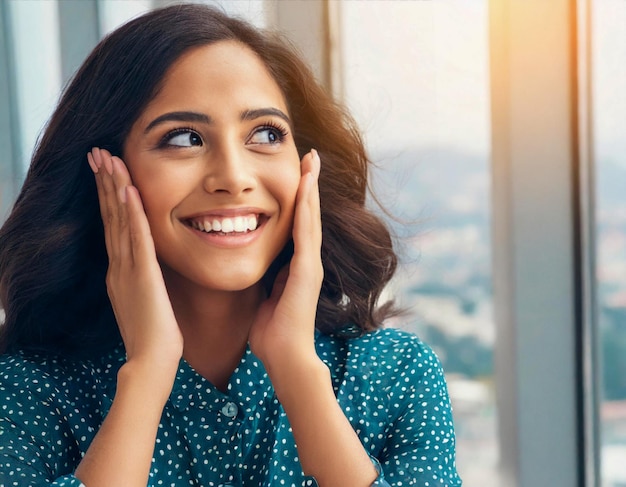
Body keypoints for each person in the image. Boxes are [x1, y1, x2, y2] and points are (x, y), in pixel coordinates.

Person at [0, 4, 461, 486]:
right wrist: (146, 375)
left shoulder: (395, 374)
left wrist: (299, 374)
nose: (234, 178)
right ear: (106, 173)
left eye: (265, 134)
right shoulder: (30, 393)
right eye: (183, 139)